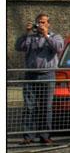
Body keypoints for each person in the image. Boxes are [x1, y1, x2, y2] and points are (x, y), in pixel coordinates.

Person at [14, 14, 64, 145]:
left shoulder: (55, 37)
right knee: (29, 107)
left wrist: (46, 35)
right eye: (38, 22)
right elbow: (18, 47)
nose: (40, 25)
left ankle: (45, 135)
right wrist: (26, 32)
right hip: (31, 75)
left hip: (47, 75)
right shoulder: (30, 38)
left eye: (43, 22)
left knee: (46, 107)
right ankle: (28, 136)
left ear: (48, 23)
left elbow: (58, 48)